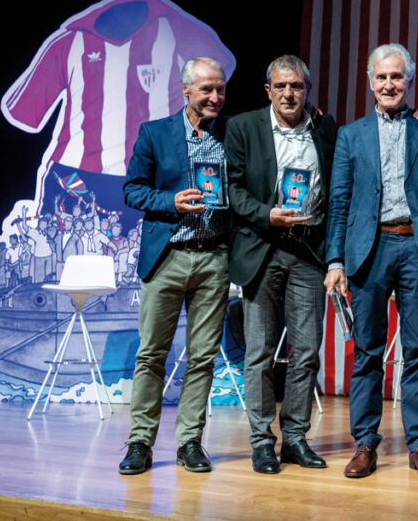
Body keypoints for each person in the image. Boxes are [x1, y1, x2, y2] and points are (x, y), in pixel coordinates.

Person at [324, 43, 418, 479]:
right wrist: (335, 259)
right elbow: (339, 202)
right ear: (370, 81)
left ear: (409, 81)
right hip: (368, 250)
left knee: (417, 351)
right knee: (367, 352)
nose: (389, 84)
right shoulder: (350, 134)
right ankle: (365, 443)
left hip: (417, 246)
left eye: (397, 77)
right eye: (382, 77)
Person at [118, 57, 231, 475]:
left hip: (214, 257)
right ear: (185, 90)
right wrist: (170, 202)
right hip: (167, 256)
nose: (215, 97)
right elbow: (132, 190)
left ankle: (190, 442)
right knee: (151, 355)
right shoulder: (155, 133)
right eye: (206, 90)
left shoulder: (232, 133)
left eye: (220, 89)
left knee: (202, 357)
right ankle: (140, 443)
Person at [226, 55, 337, 475]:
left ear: (307, 89)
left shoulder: (325, 128)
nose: (289, 94)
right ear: (268, 89)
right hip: (262, 249)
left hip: (308, 253)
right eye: (281, 86)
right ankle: (261, 441)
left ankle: (295, 438)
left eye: (297, 86)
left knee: (307, 351)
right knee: (258, 353)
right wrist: (264, 214)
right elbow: (233, 191)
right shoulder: (243, 127)